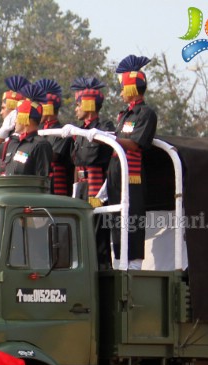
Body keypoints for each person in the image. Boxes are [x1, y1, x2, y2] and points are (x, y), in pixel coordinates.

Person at [106, 55, 158, 270]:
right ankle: (119, 261)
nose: (120, 93)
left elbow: (137, 143)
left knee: (133, 219)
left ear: (131, 89)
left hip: (132, 175)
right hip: (117, 172)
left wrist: (114, 139)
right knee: (116, 219)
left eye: (122, 88)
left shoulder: (145, 114)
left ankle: (134, 264)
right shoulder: (124, 116)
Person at [70, 76, 116, 266]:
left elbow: (93, 158)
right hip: (82, 189)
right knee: (81, 234)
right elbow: (76, 161)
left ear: (88, 104)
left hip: (97, 190)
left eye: (78, 104)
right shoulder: (79, 132)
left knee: (98, 235)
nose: (76, 109)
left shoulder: (105, 127)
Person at [34, 78, 75, 197]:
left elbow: (53, 156)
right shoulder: (40, 131)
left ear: (48, 108)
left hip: (57, 187)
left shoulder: (62, 133)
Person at [2, 84, 53, 178]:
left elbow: (42, 180)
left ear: (26, 119)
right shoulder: (13, 142)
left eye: (17, 117)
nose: (15, 121)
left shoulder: (40, 145)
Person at [0, 75, 29, 170]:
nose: (1, 112)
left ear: (13, 109)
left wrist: (2, 130)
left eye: (3, 108)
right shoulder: (9, 135)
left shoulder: (22, 135)